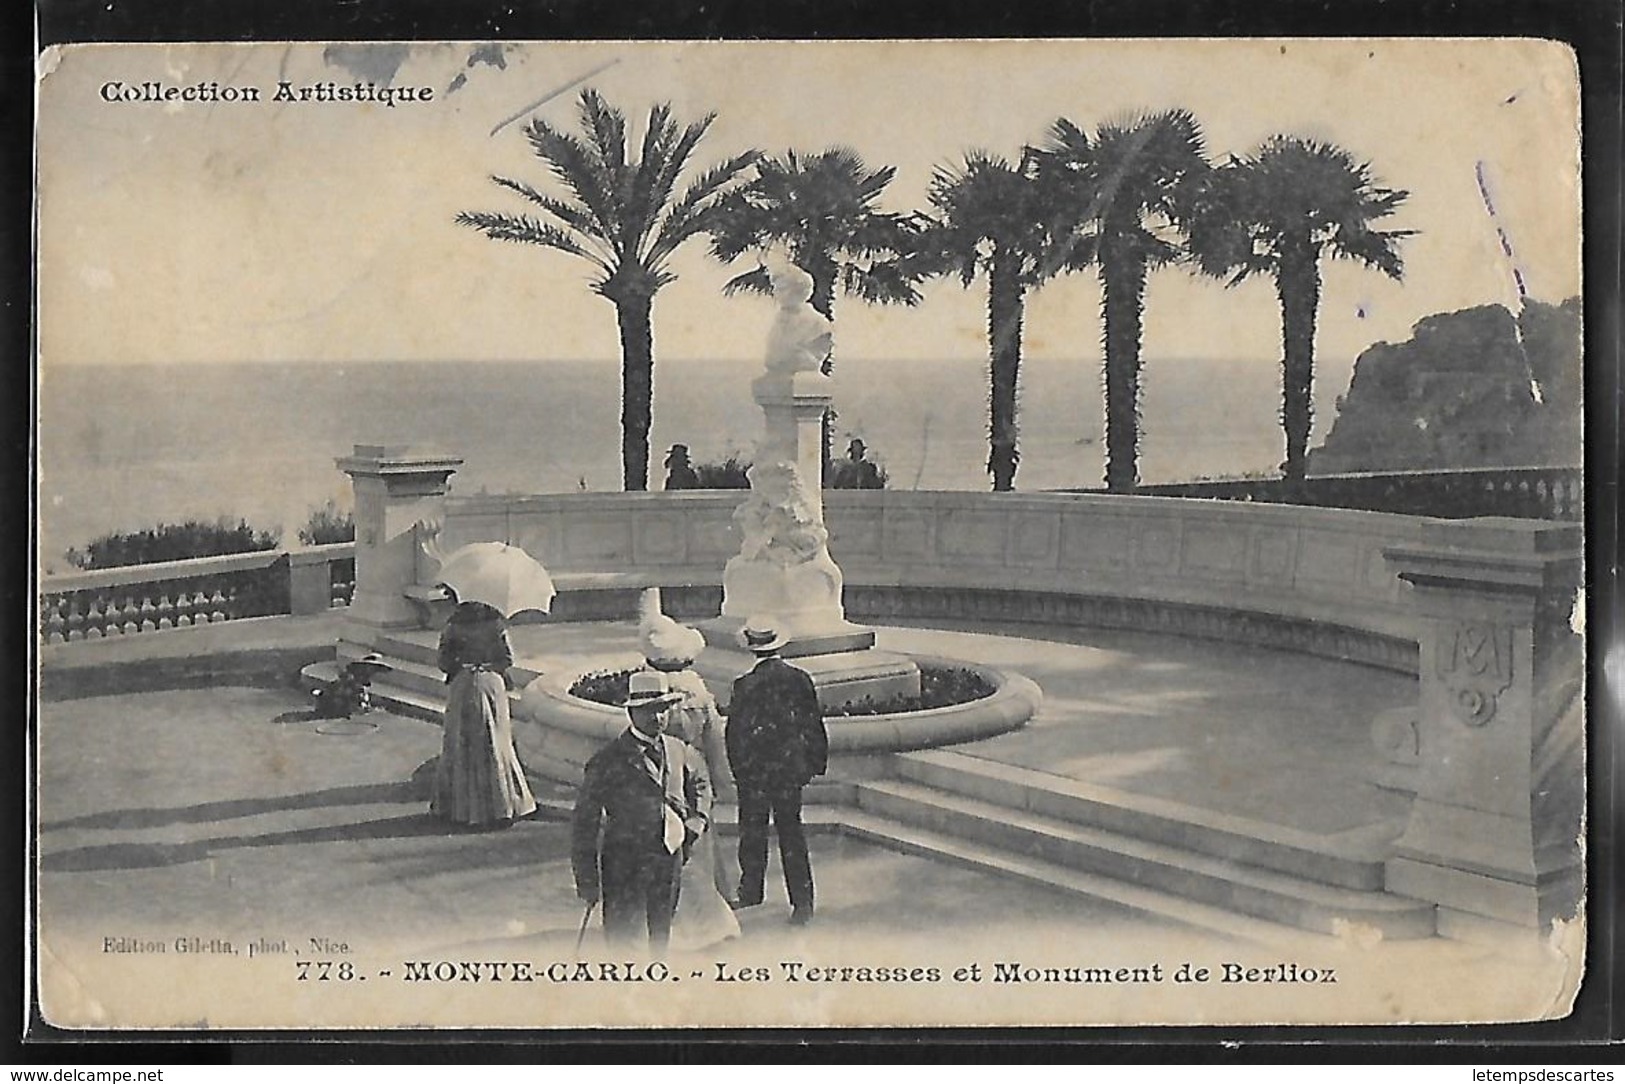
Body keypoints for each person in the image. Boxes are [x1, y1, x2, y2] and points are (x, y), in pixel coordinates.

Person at [572, 671, 713, 956]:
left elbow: (700, 782)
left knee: (661, 934)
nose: (657, 717)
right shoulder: (607, 760)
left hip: (668, 857)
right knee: (625, 942)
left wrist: (696, 820)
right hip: (624, 863)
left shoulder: (677, 749)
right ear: (632, 713)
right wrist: (587, 879)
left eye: (663, 709)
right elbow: (585, 823)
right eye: (648, 710)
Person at [637, 590, 740, 949]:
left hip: (660, 776)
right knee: (698, 848)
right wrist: (721, 783)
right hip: (694, 777)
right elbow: (716, 742)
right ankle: (712, 917)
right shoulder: (698, 692)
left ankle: (673, 921)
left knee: (665, 850)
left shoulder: (651, 695)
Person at [726, 617, 829, 926]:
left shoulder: (744, 685)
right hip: (788, 771)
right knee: (792, 834)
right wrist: (813, 764)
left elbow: (735, 734)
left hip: (755, 773)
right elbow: (813, 724)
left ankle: (751, 891)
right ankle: (802, 901)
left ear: (752, 648)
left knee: (752, 832)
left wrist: (739, 771)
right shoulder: (800, 679)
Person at [431, 600, 537, 829]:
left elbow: (443, 663)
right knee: (496, 742)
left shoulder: (452, 626)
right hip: (491, 685)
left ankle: (459, 808)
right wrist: (487, 663)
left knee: (461, 742)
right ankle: (502, 805)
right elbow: (508, 659)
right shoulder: (496, 625)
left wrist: (463, 663)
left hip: (463, 686)